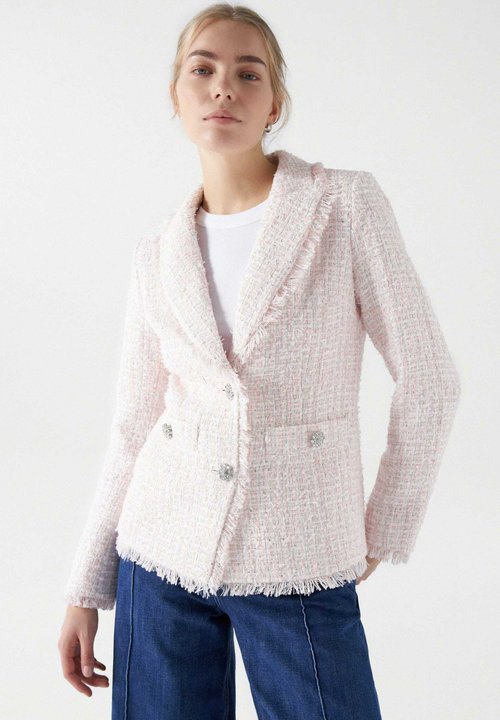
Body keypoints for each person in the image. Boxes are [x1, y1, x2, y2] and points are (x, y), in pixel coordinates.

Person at [58, 4, 461, 719]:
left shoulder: (343, 205)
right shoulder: (157, 252)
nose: (224, 87)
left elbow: (430, 379)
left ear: (275, 104)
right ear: (177, 96)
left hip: (299, 555)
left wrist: (383, 530)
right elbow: (134, 425)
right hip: (158, 550)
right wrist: (87, 586)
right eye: (203, 69)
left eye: (249, 73)